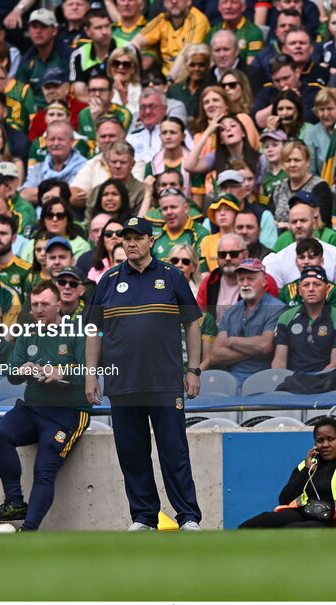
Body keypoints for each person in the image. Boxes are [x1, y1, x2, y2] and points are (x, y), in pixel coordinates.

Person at [85, 216, 204, 531]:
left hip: (164, 382)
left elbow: (193, 321)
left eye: (138, 237)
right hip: (123, 383)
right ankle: (143, 517)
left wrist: (193, 369)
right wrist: (90, 375)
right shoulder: (108, 280)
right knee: (132, 454)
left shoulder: (172, 275)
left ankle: (188, 516)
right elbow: (94, 329)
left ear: (151, 241)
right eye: (126, 237)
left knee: (174, 452)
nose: (131, 242)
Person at [0, 281, 90, 532]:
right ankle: (15, 501)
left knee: (43, 470)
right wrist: (21, 370)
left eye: (44, 304)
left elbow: (91, 371)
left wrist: (60, 371)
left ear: (59, 305)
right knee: (0, 433)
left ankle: (28, 530)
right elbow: (10, 373)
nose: (39, 309)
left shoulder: (78, 332)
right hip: (32, 407)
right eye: (35, 305)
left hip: (69, 412)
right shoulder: (27, 333)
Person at [239, 416, 336, 529]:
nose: (325, 444)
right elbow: (284, 499)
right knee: (252, 525)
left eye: (331, 439)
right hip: (303, 513)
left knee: (291, 530)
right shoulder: (307, 464)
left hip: (333, 523)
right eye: (320, 440)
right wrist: (306, 470)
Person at [209, 258, 285, 380]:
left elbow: (265, 346)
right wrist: (254, 350)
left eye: (250, 279)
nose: (245, 284)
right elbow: (215, 356)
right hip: (230, 380)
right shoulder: (231, 311)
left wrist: (231, 341)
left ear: (264, 281)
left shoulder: (277, 308)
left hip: (263, 379)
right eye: (241, 279)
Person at [271, 266, 336, 373]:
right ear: (300, 291)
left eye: (317, 284)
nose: (311, 289)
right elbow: (279, 361)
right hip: (292, 380)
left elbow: (335, 363)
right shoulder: (286, 317)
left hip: (326, 380)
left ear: (327, 289)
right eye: (306, 285)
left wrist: (314, 382)